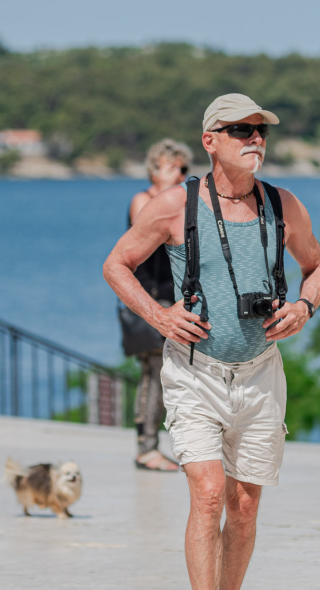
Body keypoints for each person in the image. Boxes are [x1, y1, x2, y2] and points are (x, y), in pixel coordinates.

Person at [103, 94, 320, 590]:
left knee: (245, 504)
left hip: (260, 374)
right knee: (208, 495)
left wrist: (305, 306)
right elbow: (117, 264)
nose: (254, 138)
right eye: (240, 130)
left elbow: (319, 266)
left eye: (260, 131)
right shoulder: (174, 206)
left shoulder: (284, 206)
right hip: (194, 372)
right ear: (210, 141)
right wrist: (158, 315)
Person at [122, 139, 193, 472]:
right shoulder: (144, 201)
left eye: (183, 169)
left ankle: (175, 443)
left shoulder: (180, 205)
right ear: (153, 169)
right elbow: (149, 239)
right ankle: (146, 447)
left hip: (177, 299)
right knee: (153, 371)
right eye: (171, 167)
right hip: (152, 300)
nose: (179, 174)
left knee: (174, 373)